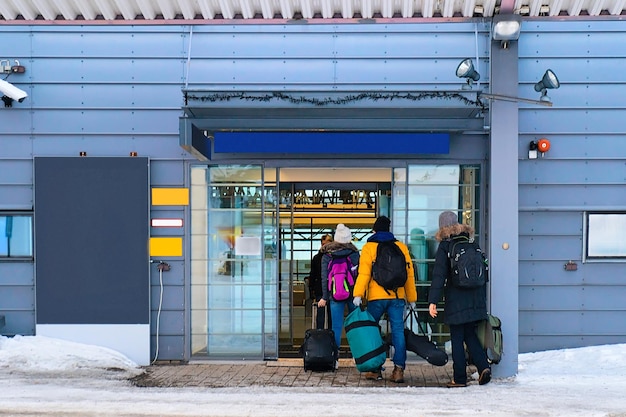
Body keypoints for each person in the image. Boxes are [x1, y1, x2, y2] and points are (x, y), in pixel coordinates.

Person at [428, 211, 492, 388]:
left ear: (442, 227)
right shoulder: (471, 243)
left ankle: (459, 378)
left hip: (456, 299)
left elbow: (439, 276)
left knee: (457, 338)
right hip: (475, 299)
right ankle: (483, 367)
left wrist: (433, 301)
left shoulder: (445, 246)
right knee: (470, 334)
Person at [352, 215, 417, 383]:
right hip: (397, 296)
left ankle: (374, 369)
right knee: (398, 332)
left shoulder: (369, 247)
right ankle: (398, 370)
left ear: (375, 230)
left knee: (371, 330)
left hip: (376, 297)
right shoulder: (401, 247)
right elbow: (409, 274)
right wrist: (412, 297)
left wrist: (357, 294)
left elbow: (364, 273)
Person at [318, 224, 359, 360]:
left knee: (336, 326)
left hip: (334, 295)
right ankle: (357, 355)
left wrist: (324, 297)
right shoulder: (354, 253)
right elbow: (358, 275)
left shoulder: (327, 255)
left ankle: (335, 358)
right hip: (352, 294)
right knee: (355, 324)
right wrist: (358, 294)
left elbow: (324, 277)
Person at [307, 233, 333, 329]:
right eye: (323, 244)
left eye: (326, 243)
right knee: (320, 315)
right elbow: (312, 274)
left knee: (331, 315)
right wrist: (312, 289)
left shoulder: (334, 256)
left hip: (331, 289)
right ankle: (320, 334)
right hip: (320, 289)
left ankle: (330, 334)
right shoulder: (317, 258)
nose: (324, 246)